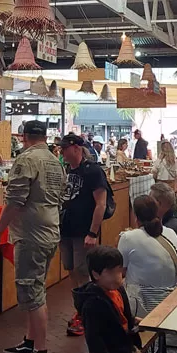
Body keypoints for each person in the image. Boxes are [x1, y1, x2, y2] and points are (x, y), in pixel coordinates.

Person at [0, 121, 65, 353]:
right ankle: (31, 341)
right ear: (44, 136)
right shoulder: (55, 161)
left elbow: (14, 201)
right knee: (37, 286)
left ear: (23, 137)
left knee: (32, 293)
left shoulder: (26, 159)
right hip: (51, 229)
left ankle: (40, 352)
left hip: (31, 233)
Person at [60, 134, 109, 336]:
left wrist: (92, 232)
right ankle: (80, 310)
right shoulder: (65, 170)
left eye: (64, 148)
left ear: (76, 148)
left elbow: (101, 203)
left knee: (84, 273)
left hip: (83, 231)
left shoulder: (93, 171)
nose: (61, 152)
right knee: (71, 269)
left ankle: (89, 313)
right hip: (66, 230)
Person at [119, 195, 177, 316]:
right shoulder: (171, 233)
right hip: (171, 302)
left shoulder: (128, 237)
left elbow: (120, 271)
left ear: (135, 216)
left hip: (140, 306)